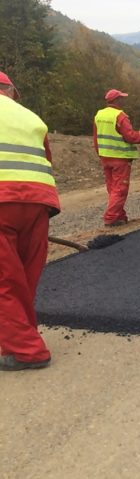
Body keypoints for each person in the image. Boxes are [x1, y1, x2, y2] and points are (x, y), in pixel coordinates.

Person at [0, 71, 61, 371]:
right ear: (10, 90)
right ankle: (16, 336)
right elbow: (45, 160)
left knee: (5, 281)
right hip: (38, 203)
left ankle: (26, 351)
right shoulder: (33, 119)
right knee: (21, 278)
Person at [93, 89, 140, 227]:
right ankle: (111, 218)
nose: (123, 100)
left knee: (112, 188)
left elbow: (96, 137)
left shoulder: (99, 115)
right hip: (120, 158)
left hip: (105, 157)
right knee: (120, 189)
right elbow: (131, 137)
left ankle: (119, 215)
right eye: (121, 98)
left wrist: (100, 153)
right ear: (116, 100)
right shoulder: (120, 116)